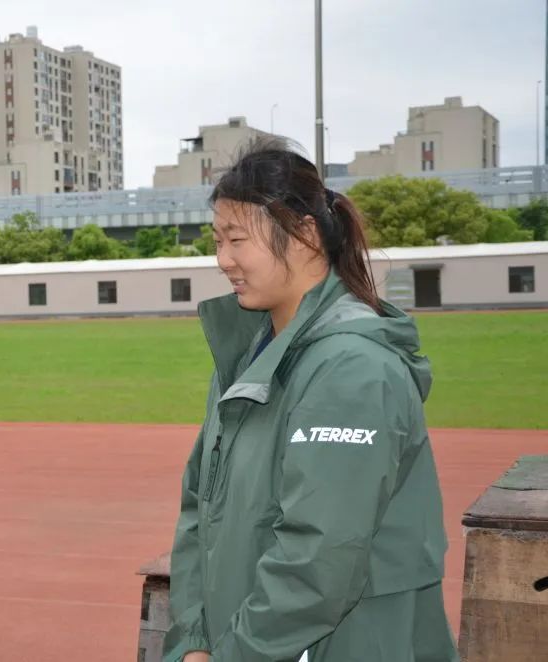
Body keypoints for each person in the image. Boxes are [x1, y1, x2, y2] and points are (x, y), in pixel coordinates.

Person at [164, 140, 459, 662]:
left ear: (304, 235)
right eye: (217, 240)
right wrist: (194, 640)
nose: (223, 260)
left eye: (237, 240)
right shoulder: (249, 355)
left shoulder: (351, 370)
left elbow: (319, 560)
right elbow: (198, 509)